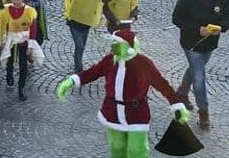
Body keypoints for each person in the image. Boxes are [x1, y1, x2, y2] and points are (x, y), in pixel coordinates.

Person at [56, 29, 190, 158]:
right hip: (112, 111)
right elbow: (93, 72)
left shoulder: (143, 63)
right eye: (113, 43)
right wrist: (72, 81)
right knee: (117, 147)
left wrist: (176, 104)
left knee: (136, 150)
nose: (113, 46)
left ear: (130, 47)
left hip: (136, 113)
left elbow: (162, 84)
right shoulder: (110, 60)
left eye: (117, 44)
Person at [172, 0, 229, 129]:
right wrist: (197, 29)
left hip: (209, 44)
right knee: (199, 78)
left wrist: (221, 27)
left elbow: (228, 16)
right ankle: (204, 112)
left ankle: (181, 94)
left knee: (194, 70)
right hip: (191, 44)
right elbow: (176, 19)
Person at [64, 0, 106, 73]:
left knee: (81, 46)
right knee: (80, 45)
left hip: (86, 24)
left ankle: (77, 60)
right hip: (74, 23)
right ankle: (78, 68)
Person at [2, 0, 38, 101]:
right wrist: (3, 40)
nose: (16, 2)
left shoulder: (29, 11)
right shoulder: (6, 9)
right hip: (11, 40)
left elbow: (33, 28)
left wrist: (30, 45)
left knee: (23, 65)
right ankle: (9, 77)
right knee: (10, 60)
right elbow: (3, 25)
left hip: (23, 41)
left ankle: (21, 89)